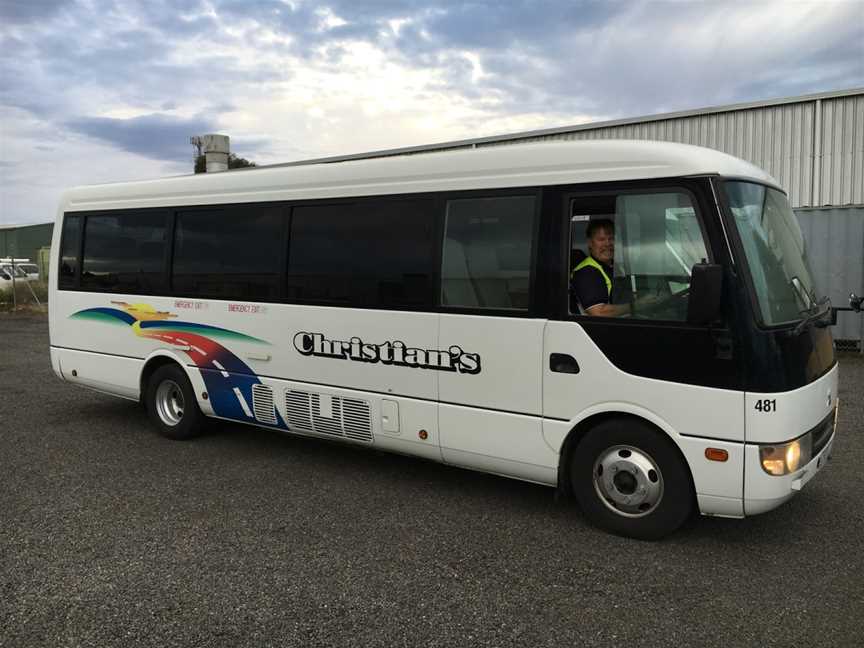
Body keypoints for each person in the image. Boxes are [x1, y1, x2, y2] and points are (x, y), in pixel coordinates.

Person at [571, 219, 631, 317]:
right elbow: (598, 312)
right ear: (590, 243)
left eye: (611, 238)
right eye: (601, 239)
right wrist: (635, 306)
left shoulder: (615, 266)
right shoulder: (586, 272)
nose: (608, 244)